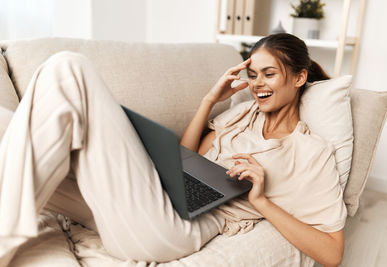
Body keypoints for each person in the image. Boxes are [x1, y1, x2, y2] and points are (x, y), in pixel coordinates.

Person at [0, 33, 346, 266]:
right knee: (6, 123)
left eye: (269, 74)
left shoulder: (310, 151)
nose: (257, 84)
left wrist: (261, 201)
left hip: (178, 228)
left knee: (68, 68)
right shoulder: (243, 115)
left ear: (299, 78)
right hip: (149, 200)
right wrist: (210, 100)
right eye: (253, 75)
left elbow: (332, 252)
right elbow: (184, 160)